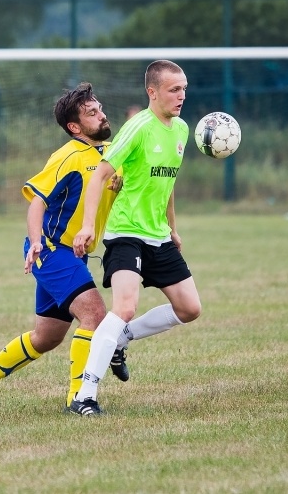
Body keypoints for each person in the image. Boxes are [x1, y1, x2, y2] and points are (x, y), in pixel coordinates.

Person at [0, 82, 128, 409]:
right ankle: (80, 399)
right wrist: (36, 242)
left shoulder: (112, 154)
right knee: (94, 313)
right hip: (51, 251)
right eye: (91, 113)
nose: (102, 115)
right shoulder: (67, 156)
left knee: (47, 337)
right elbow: (37, 202)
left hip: (75, 256)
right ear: (74, 127)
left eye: (100, 108)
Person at [68, 60, 202, 415]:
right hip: (126, 233)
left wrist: (172, 228)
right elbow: (100, 175)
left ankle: (118, 342)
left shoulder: (182, 130)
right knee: (124, 308)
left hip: (158, 234)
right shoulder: (138, 127)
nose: (181, 96)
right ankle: (85, 395)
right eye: (174, 90)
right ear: (152, 92)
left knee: (190, 309)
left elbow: (167, 184)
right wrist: (87, 226)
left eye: (184, 89)